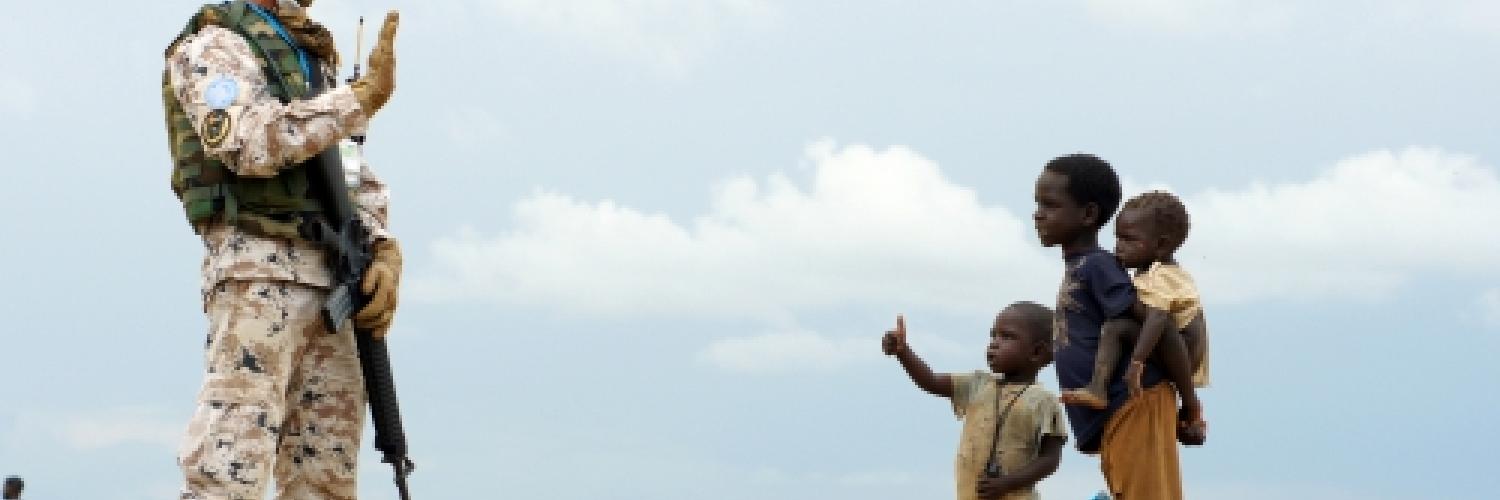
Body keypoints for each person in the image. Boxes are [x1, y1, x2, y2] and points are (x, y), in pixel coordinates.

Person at [161, 0, 403, 498]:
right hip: (259, 277)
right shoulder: (214, 45)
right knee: (230, 470)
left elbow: (347, 170)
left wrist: (381, 247)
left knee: (326, 481)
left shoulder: (308, 53)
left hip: (334, 282)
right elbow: (246, 142)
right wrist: (356, 100)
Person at [1031, 154, 1182, 499]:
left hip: (1131, 403)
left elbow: (1155, 320)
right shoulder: (1082, 266)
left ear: (1088, 214)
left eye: (1050, 204)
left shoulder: (1098, 266)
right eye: (1037, 204)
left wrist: (1187, 397)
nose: (1038, 213)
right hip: (1114, 412)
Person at [1059, 190, 1210, 445]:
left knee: (1117, 327)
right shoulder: (1146, 272)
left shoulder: (1163, 275)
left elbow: (1158, 319)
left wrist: (1136, 363)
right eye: (1117, 238)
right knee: (1118, 326)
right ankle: (1186, 416)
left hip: (1183, 352)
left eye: (1129, 240)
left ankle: (1190, 404)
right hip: (1170, 350)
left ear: (1161, 245)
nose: (1119, 247)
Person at [881, 303, 1068, 500]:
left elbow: (1050, 460)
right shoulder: (977, 385)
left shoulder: (1044, 402)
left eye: (1007, 336)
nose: (994, 343)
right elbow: (931, 381)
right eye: (993, 335)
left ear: (1037, 352)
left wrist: (1007, 483)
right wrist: (903, 353)